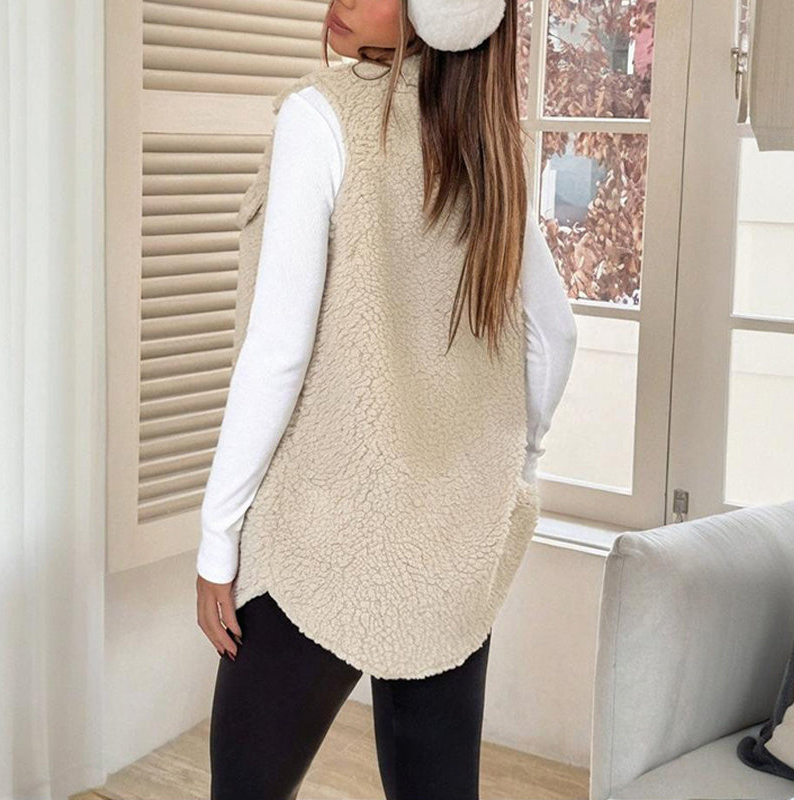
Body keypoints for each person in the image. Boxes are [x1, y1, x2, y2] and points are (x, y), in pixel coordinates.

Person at [195, 1, 578, 798]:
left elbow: (276, 355)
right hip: (449, 539)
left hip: (320, 541)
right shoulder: (486, 143)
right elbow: (554, 335)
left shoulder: (320, 118)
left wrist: (217, 538)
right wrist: (515, 464)